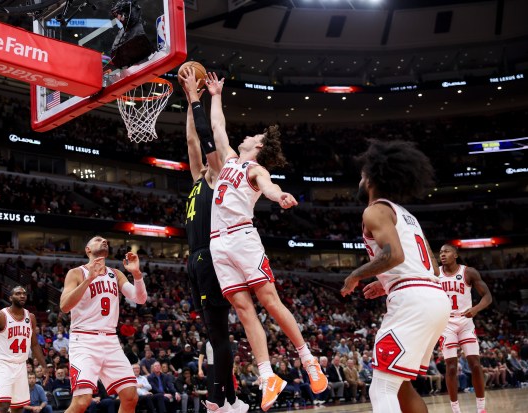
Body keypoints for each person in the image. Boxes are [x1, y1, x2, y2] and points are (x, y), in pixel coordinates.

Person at [205, 71, 327, 412]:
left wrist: (279, 196)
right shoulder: (229, 159)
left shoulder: (255, 170)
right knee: (243, 310)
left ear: (258, 147)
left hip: (243, 238)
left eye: (255, 135)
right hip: (218, 244)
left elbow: (270, 187)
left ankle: (308, 359)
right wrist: (215, 94)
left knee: (269, 301)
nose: (249, 134)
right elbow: (218, 128)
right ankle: (266, 376)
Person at [341, 140, 451, 413]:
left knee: (382, 387)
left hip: (412, 300)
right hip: (434, 296)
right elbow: (433, 268)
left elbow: (394, 255)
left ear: (370, 178)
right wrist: (385, 281)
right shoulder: (406, 215)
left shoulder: (374, 210)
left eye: (361, 175)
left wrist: (356, 275)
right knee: (400, 385)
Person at [179, 67, 246, 413]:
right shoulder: (197, 178)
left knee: (219, 334)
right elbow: (192, 140)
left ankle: (222, 401)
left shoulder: (218, 175)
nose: (202, 157)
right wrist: (190, 103)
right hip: (195, 260)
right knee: (214, 334)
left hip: (212, 258)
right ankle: (231, 398)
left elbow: (205, 138)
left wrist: (196, 98)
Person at [59, 238, 147, 413]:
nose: (104, 241)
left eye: (105, 240)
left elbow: (140, 298)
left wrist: (137, 275)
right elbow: (64, 306)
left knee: (131, 396)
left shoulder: (116, 273)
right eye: (98, 240)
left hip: (110, 340)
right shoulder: (76, 273)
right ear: (88, 249)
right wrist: (89, 279)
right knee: (82, 402)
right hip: (84, 340)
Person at [0, 287, 48, 413]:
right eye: (18, 294)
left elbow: (34, 344)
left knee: (18, 408)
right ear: (10, 298)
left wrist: (44, 366)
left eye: (24, 294)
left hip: (21, 365)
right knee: (3, 405)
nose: (22, 296)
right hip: (2, 364)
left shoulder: (31, 317)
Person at [438, 244, 492, 413]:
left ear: (455, 255)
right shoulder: (435, 273)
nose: (442, 254)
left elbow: (487, 296)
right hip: (446, 324)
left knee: (475, 364)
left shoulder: (468, 272)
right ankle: (455, 409)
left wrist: (475, 309)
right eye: (440, 252)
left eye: (446, 251)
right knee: (451, 367)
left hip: (465, 322)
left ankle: (481, 408)